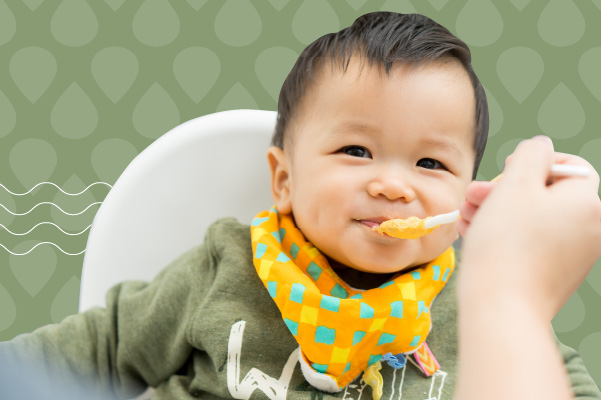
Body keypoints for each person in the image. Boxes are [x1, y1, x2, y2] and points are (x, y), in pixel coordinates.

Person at [1, 12, 599, 400]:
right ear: (284, 180)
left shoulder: (483, 302)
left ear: (471, 194)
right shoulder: (228, 264)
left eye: (431, 164)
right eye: (356, 150)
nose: (393, 186)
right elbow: (101, 347)